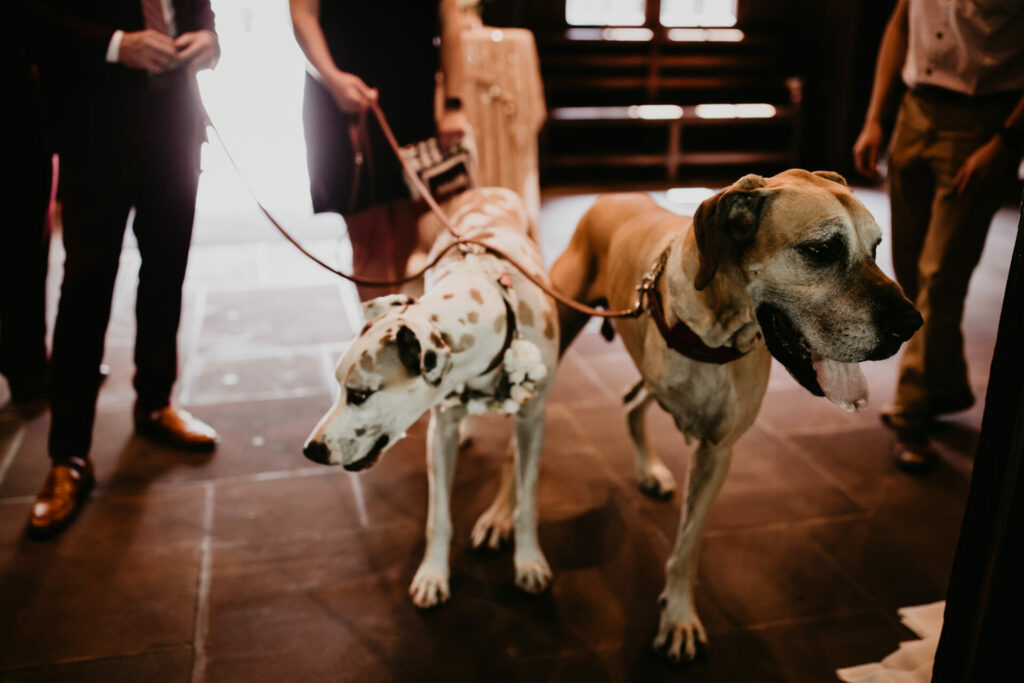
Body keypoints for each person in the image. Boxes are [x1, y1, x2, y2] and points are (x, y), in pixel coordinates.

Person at [27, 0, 222, 539]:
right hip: (96, 132)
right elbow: (33, 21)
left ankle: (156, 403)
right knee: (85, 290)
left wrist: (208, 39)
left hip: (176, 129)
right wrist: (118, 44)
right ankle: (67, 457)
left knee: (166, 271)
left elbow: (197, 9)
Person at [853, 0, 1024, 474]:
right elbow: (900, 23)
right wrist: (875, 118)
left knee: (941, 277)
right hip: (915, 112)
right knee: (910, 273)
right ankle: (945, 385)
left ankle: (912, 414)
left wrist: (1007, 142)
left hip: (982, 124)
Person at [289, 0, 469, 301]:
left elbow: (450, 20)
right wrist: (332, 78)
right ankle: (377, 331)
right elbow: (302, 15)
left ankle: (395, 323)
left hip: (411, 93)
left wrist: (454, 104)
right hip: (341, 92)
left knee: (406, 232)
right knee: (366, 237)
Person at [0, 7, 55, 407]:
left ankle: (29, 359)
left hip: (24, 100)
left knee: (29, 236)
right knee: (21, 237)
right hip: (13, 99)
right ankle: (27, 365)